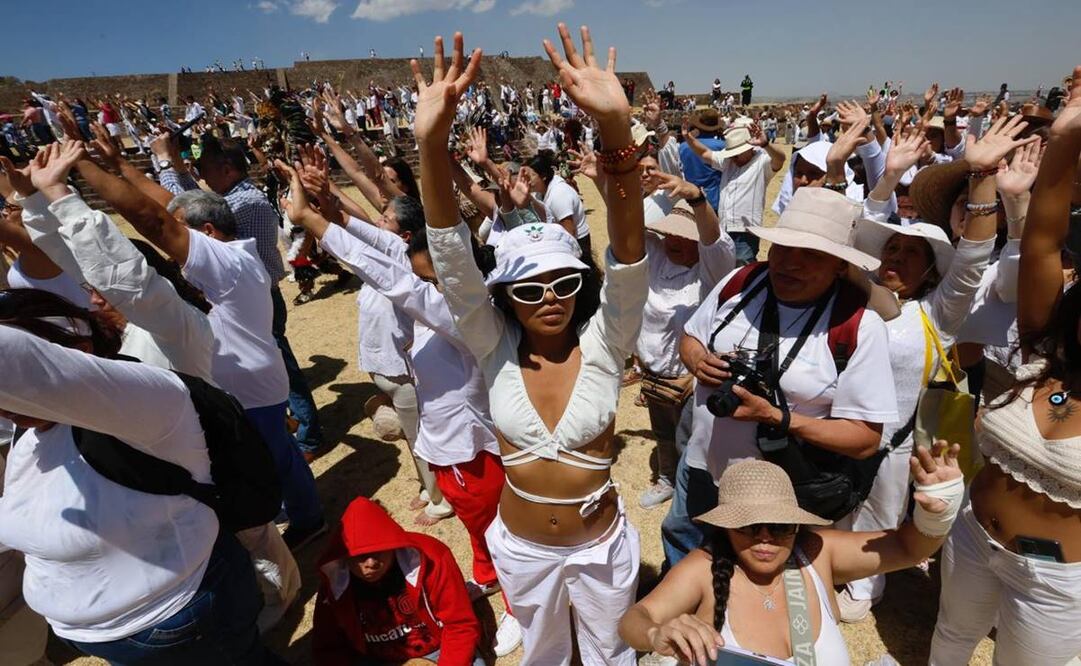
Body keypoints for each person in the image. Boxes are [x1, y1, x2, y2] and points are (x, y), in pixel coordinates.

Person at [416, 27, 647, 664]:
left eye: (564, 281)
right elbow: (451, 258)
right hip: (522, 550)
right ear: (505, 296)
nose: (550, 297)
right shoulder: (491, 344)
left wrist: (617, 132)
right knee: (543, 655)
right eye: (529, 287)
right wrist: (431, 146)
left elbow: (629, 259)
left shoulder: (606, 340)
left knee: (612, 655)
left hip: (599, 549)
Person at [0, 292, 278, 664]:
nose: (4, 406)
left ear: (80, 351)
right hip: (114, 636)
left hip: (180, 620)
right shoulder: (33, 430)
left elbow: (15, 366)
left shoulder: (144, 403)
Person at [836, 118, 1036, 621]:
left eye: (911, 253)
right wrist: (885, 174)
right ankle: (834, 568)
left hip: (898, 438)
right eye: (893, 248)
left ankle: (866, 589)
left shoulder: (935, 313)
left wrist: (985, 174)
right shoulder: (856, 298)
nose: (897, 257)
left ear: (930, 270)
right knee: (838, 503)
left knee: (882, 510)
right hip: (841, 430)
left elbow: (972, 258)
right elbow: (860, 229)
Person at [930, 65, 1081, 666]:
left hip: (1058, 580)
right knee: (949, 640)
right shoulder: (1042, 351)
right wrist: (1067, 136)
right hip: (972, 534)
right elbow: (1041, 240)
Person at [664, 187, 898, 568]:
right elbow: (691, 336)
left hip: (776, 491)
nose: (790, 263)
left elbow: (865, 439)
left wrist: (778, 418)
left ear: (840, 265)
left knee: (750, 575)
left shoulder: (859, 327)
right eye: (783, 248)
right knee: (682, 538)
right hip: (701, 463)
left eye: (811, 255)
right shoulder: (742, 282)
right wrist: (697, 360)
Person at [620, 450, 964, 665]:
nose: (766, 538)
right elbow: (634, 619)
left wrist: (937, 512)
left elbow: (909, 548)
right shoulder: (703, 569)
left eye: (780, 526)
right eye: (750, 527)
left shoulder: (817, 553)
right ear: (726, 526)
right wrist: (654, 635)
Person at [154, 133, 326, 459]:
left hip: (255, 296)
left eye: (204, 169)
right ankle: (298, 429)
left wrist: (166, 162)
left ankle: (308, 435)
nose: (200, 175)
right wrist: (174, 163)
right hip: (250, 294)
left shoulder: (244, 203)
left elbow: (184, 209)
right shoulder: (234, 196)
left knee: (281, 368)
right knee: (273, 366)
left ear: (228, 169)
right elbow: (189, 202)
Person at [313, 497, 483, 666]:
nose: (371, 563)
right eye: (360, 556)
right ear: (344, 557)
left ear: (392, 544)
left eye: (379, 551)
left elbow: (459, 625)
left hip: (437, 649)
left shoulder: (433, 557)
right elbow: (327, 647)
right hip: (374, 658)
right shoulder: (335, 582)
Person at [682, 121, 786, 264]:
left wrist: (766, 144)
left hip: (745, 232)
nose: (733, 158)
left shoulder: (762, 163)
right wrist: (688, 138)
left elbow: (780, 159)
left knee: (741, 270)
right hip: (724, 229)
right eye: (732, 155)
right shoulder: (727, 162)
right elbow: (705, 153)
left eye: (736, 155)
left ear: (749, 149)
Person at [522, 149, 591, 256]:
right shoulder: (540, 193)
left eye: (530, 176)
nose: (527, 181)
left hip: (577, 244)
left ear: (543, 176)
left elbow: (569, 232)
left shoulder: (559, 194)